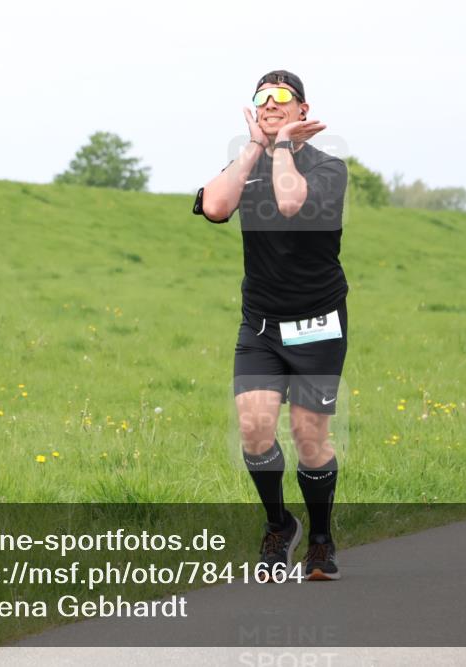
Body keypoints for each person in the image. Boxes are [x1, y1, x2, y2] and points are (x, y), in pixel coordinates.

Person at [192, 70, 349, 581]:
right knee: (255, 430)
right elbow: (215, 207)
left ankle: (321, 540)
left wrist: (280, 147)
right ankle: (280, 525)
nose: (271, 102)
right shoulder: (249, 163)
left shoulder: (329, 169)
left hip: (317, 325)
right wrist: (254, 148)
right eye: (262, 97)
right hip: (260, 325)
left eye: (284, 97)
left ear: (304, 110)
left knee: (309, 438)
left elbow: (290, 202)